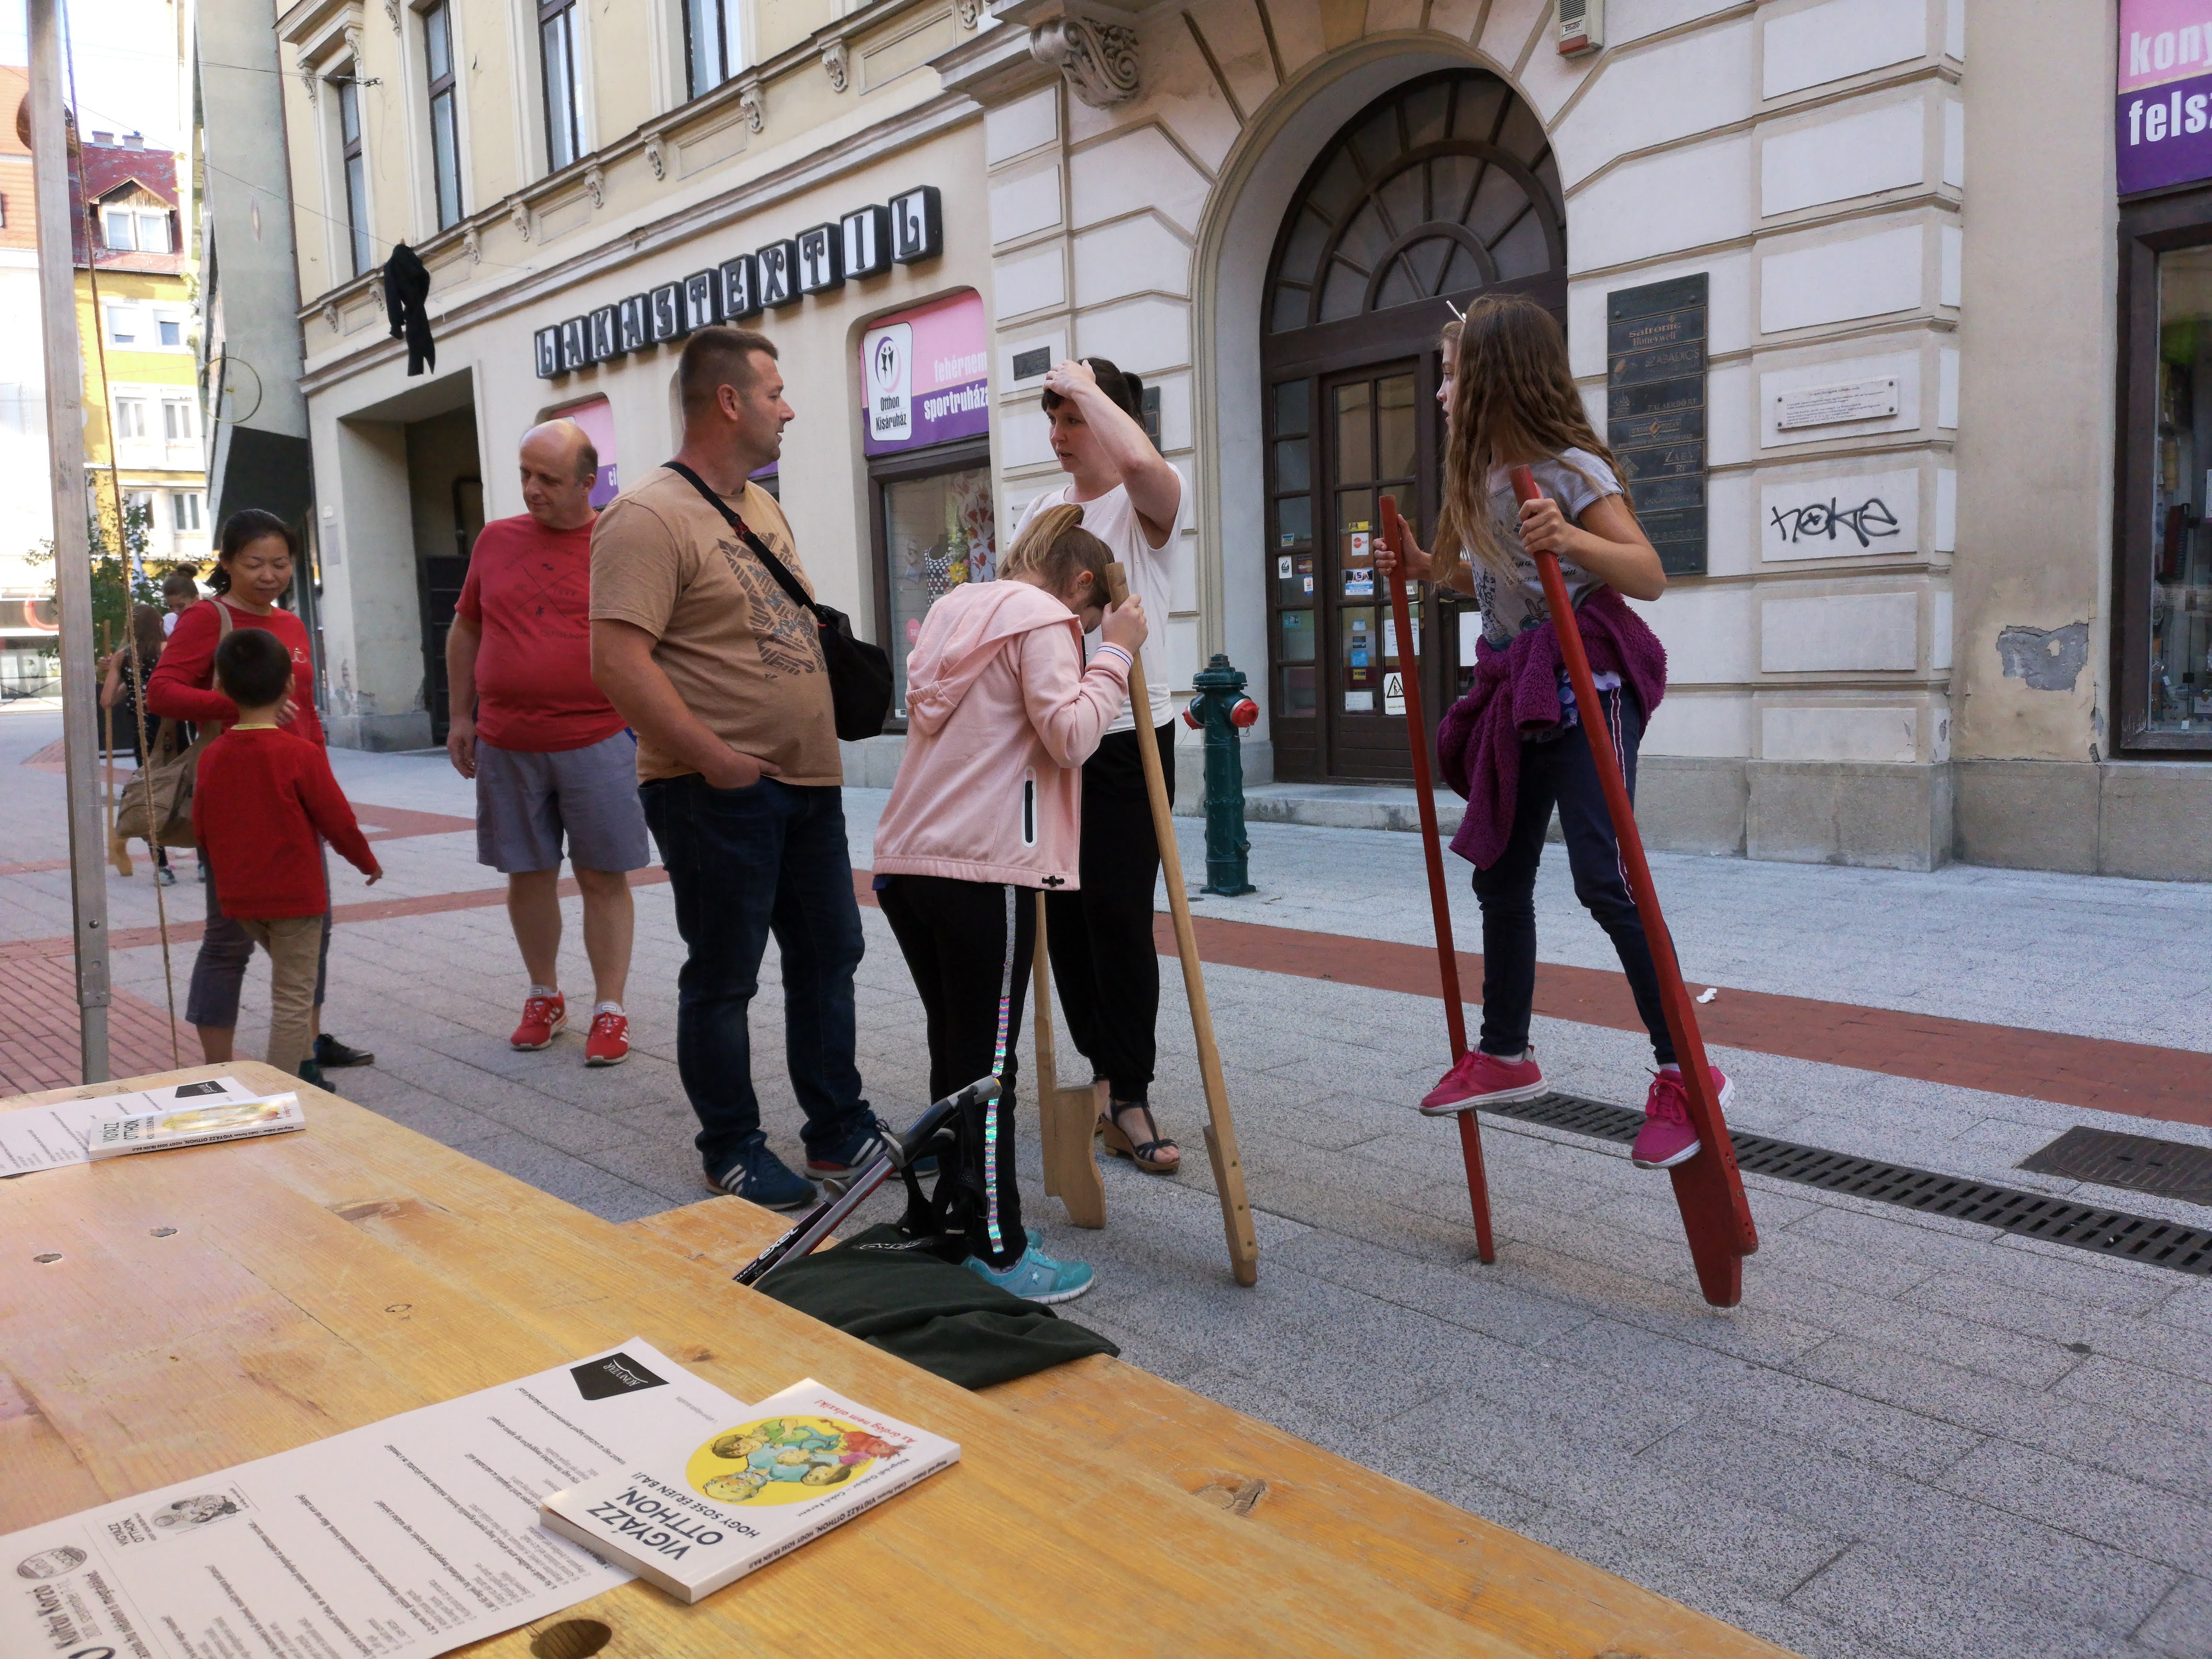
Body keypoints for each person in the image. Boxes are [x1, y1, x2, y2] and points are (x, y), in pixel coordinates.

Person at [1379, 294, 1727, 1171]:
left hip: (1586, 680)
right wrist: (1423, 567)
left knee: (1605, 877)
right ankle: (1505, 1051)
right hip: (1518, 687)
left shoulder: (1569, 468)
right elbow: (1490, 575)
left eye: (1454, 374)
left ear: (1498, 375)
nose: (1441, 393)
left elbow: (1645, 572)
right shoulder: (1480, 476)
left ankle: (1686, 1070)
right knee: (1499, 869)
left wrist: (1569, 535)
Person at [590, 324, 876, 1210]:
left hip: (805, 783)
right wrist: (716, 761)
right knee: (724, 974)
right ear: (728, 401)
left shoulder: (759, 506)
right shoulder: (645, 515)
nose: (788, 410)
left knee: (830, 953)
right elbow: (617, 660)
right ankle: (731, 1146)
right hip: (714, 791)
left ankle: (837, 1129)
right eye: (774, 393)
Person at [871, 504, 1148, 1304]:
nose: (1084, 633)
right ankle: (997, 1246)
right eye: (1088, 620)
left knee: (955, 1056)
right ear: (1083, 585)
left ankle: (948, 1223)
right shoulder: (1043, 617)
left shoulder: (955, 610)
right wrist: (1115, 653)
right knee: (989, 1071)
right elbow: (1070, 736)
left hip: (910, 861)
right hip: (983, 867)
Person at [1010, 357, 1185, 1176]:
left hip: (1125, 738)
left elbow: (1141, 462)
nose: (1058, 433)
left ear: (1112, 418)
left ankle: (1130, 1091)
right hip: (1052, 733)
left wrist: (1088, 385)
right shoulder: (1044, 510)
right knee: (1064, 919)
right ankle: (1101, 1073)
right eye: (1052, 417)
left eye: (1073, 416)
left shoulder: (1149, 498)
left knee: (1117, 916)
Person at [147, 509, 376, 1085]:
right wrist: (239, 705)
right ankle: (217, 1068)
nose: (269, 575)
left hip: (295, 793)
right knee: (228, 939)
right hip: (237, 802)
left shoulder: (292, 624)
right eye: (254, 563)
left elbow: (308, 712)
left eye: (281, 563)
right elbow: (162, 693)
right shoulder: (207, 618)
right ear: (226, 562)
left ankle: (306, 1049)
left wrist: (321, 779)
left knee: (313, 928)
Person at [447, 419, 647, 1065]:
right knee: (527, 874)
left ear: (588, 482)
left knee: (602, 876)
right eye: (525, 475)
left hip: (598, 736)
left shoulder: (618, 541)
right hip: (508, 740)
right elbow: (466, 629)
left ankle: (610, 1007)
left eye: (548, 479)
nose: (532, 489)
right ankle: (545, 996)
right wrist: (459, 716)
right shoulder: (495, 540)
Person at [189, 628, 382, 1077]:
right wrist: (366, 863)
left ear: (220, 687)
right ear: (290, 685)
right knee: (293, 998)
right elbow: (337, 820)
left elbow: (202, 828)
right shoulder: (299, 754)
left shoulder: (213, 756)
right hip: (296, 898)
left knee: (290, 982)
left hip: (240, 900)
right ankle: (284, 1091)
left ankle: (306, 1075)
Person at [100, 602, 177, 884]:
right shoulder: (169, 650)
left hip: (143, 733)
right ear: (158, 625)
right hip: (173, 728)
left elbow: (107, 700)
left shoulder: (126, 657)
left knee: (150, 796)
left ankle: (162, 866)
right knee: (186, 789)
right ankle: (204, 862)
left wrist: (120, 673)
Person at [160, 566, 200, 636]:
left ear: (196, 600)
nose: (175, 611)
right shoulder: (168, 622)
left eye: (181, 606)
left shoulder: (207, 620)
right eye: (171, 606)